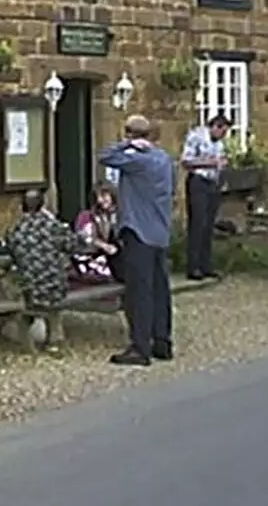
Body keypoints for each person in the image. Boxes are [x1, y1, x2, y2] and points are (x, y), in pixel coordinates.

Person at [98, 115, 176, 366]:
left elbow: (105, 155)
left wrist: (125, 144)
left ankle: (140, 347)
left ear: (132, 135)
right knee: (160, 289)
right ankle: (162, 341)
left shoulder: (137, 161)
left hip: (138, 231)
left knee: (139, 292)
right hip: (159, 231)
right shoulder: (164, 160)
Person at [4, 189, 77, 349]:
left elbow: (10, 250)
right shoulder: (54, 226)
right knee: (52, 287)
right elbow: (72, 245)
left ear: (22, 207)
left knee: (12, 283)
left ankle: (19, 329)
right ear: (43, 205)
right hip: (54, 286)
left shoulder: (16, 230)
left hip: (28, 287)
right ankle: (55, 339)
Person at [180, 114, 230, 281]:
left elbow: (220, 161)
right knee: (198, 224)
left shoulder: (220, 144)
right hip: (198, 182)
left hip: (212, 183)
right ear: (215, 127)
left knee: (209, 225)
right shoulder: (196, 138)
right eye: (222, 131)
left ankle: (206, 264)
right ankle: (193, 266)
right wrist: (211, 163)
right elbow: (186, 161)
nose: (223, 136)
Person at [72, 184, 120, 283]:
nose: (100, 200)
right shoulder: (89, 215)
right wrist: (104, 246)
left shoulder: (119, 214)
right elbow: (87, 236)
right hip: (93, 255)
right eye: (98, 197)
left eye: (104, 195)